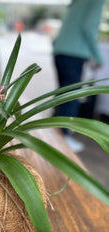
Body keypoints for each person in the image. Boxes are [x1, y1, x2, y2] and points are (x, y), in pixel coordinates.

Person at [53, 0, 105, 152]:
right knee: (71, 96)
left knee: (63, 92)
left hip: (60, 50)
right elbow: (88, 27)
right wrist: (98, 56)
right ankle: (63, 136)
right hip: (74, 53)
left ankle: (55, 133)